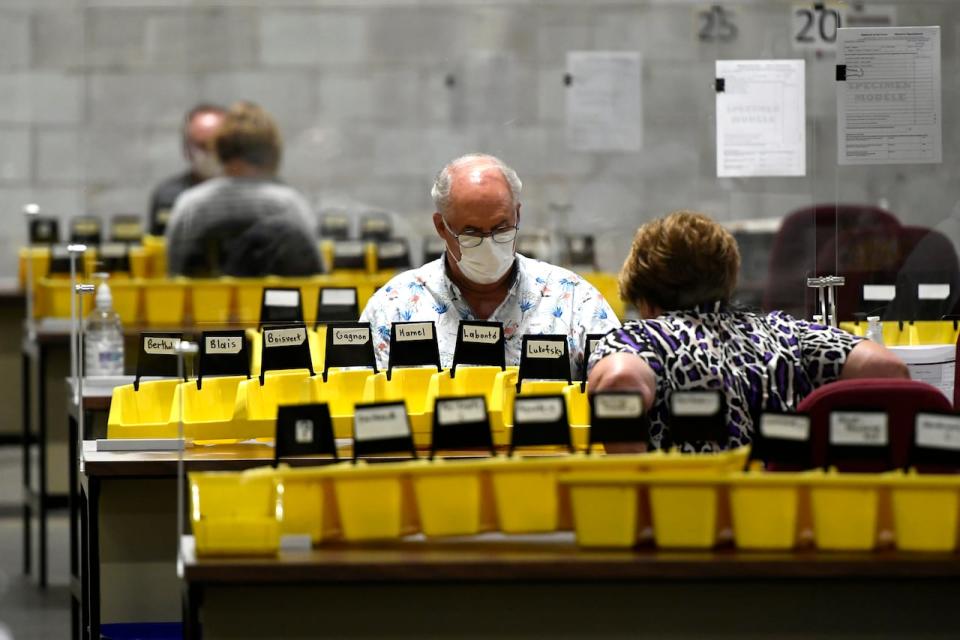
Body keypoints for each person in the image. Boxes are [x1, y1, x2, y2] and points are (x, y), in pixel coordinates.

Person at [588, 210, 909, 452]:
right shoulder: (783, 331)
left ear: (644, 298)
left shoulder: (642, 339)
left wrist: (631, 472)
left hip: (684, 517)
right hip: (777, 513)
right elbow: (887, 369)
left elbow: (619, 380)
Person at [360, 153, 620, 371]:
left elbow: (619, 397)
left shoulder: (574, 301)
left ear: (517, 215)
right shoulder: (394, 307)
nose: (489, 244)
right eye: (471, 233)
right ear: (441, 227)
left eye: (501, 228)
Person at [164, 101, 321, 277]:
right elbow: (316, 281)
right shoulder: (291, 206)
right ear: (272, 150)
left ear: (219, 148)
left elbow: (174, 276)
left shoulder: (191, 208)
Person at [148, 104, 227, 236]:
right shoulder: (168, 197)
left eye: (217, 144)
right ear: (186, 148)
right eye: (202, 145)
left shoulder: (248, 195)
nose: (210, 151)